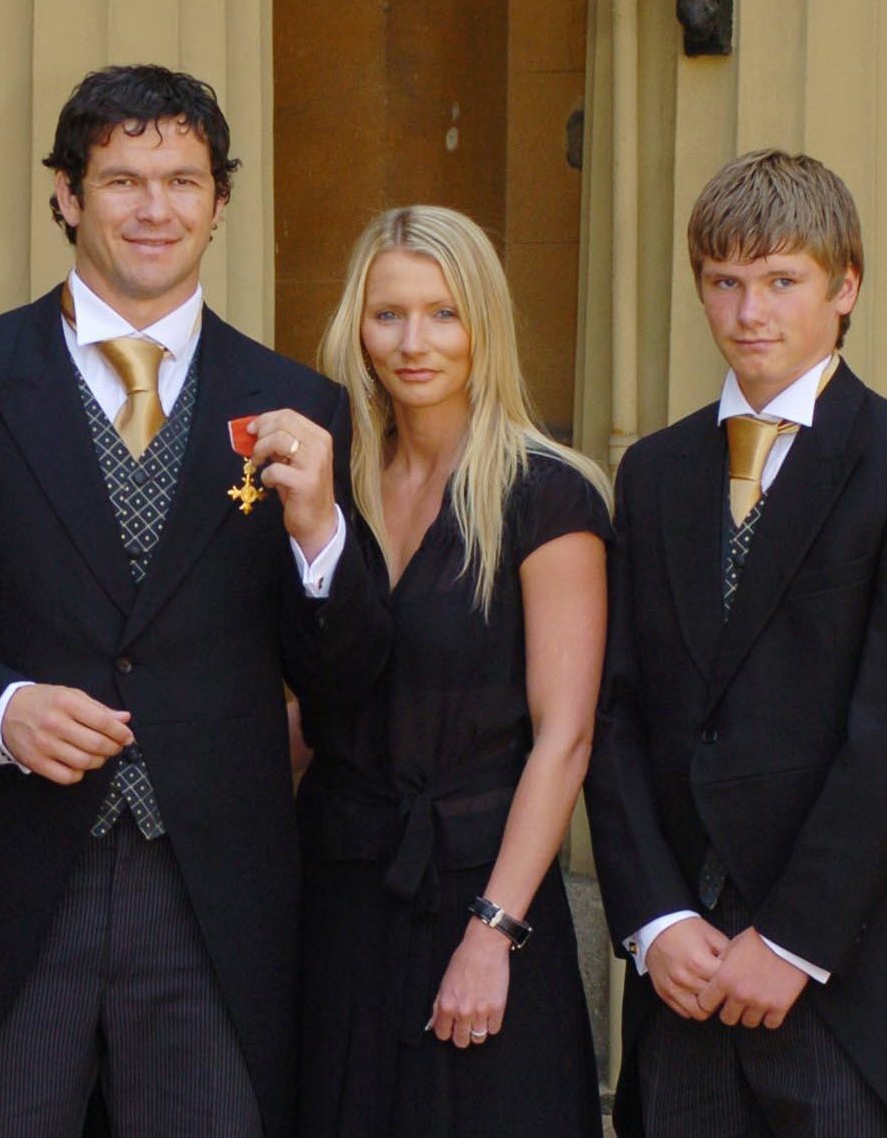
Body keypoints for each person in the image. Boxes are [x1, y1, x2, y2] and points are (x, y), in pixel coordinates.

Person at [0, 64, 389, 1138]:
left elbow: (344, 676)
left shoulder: (297, 404)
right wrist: (2, 708)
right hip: (10, 884)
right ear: (66, 194)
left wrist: (324, 535)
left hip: (212, 896)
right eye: (124, 181)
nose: (157, 209)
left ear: (221, 202)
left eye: (184, 181)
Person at [584, 149, 887, 1138]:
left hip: (837, 980)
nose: (748, 311)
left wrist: (796, 937)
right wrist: (654, 919)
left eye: (780, 281)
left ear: (844, 286)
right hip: (683, 977)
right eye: (724, 282)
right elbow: (615, 709)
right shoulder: (655, 473)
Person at [296, 204, 611, 1136]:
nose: (413, 342)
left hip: (480, 890)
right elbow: (298, 700)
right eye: (387, 313)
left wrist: (492, 933)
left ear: (484, 326)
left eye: (443, 313)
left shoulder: (548, 494)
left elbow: (565, 738)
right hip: (341, 890)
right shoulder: (333, 485)